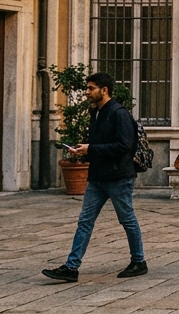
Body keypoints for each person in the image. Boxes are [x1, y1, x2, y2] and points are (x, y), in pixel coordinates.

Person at [42, 72, 146, 282]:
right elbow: (98, 144)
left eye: (91, 88)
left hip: (118, 177)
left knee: (127, 220)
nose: (87, 92)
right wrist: (83, 149)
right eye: (87, 88)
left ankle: (139, 261)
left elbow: (125, 145)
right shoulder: (95, 112)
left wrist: (92, 148)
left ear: (104, 90)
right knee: (85, 221)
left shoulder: (119, 113)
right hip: (97, 177)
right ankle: (71, 268)